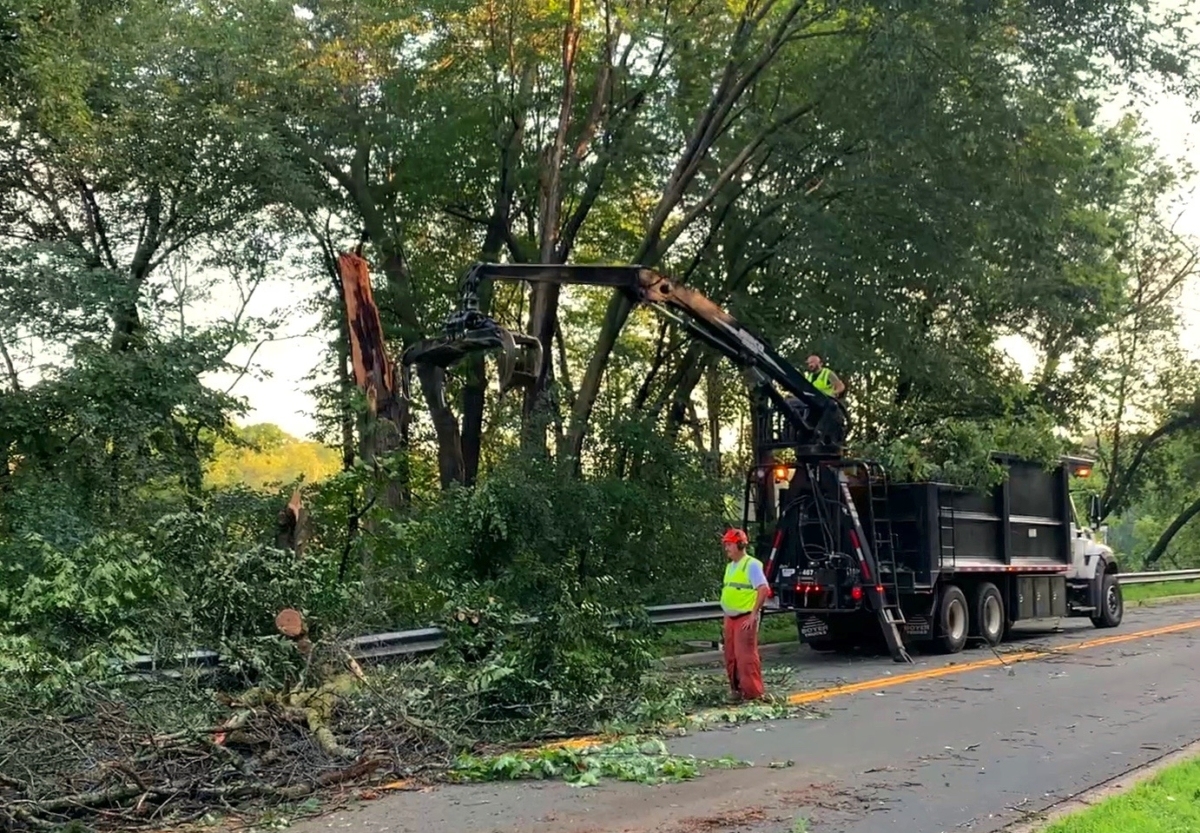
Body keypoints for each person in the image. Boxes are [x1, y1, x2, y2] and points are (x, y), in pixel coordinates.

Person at [720, 528, 769, 702]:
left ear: (740, 545)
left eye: (729, 544)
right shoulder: (730, 566)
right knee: (731, 656)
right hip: (730, 617)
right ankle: (736, 691)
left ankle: (754, 694)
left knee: (745, 657)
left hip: (745, 617)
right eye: (725, 544)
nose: (726, 548)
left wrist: (753, 614)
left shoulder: (752, 565)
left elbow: (763, 590)